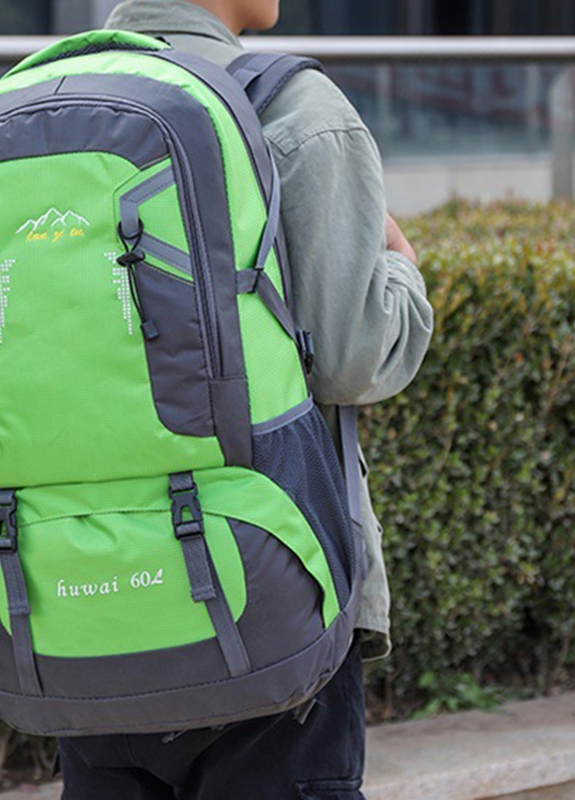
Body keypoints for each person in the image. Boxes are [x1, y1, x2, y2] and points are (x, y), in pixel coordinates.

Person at [57, 2, 434, 798]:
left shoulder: (45, 101)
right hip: (265, 608)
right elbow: (354, 360)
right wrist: (402, 267)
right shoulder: (289, 106)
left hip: (73, 607)